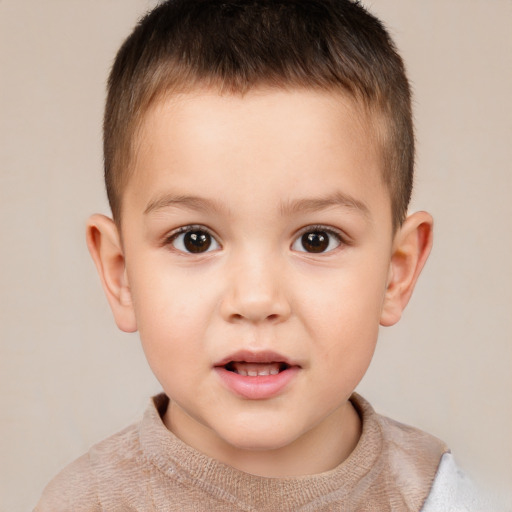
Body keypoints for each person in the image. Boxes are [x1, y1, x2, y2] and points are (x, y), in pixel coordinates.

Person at [35, 0, 494, 510]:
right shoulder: (85, 502)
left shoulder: (440, 497)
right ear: (121, 274)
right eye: (195, 239)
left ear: (397, 271)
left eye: (316, 239)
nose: (255, 299)